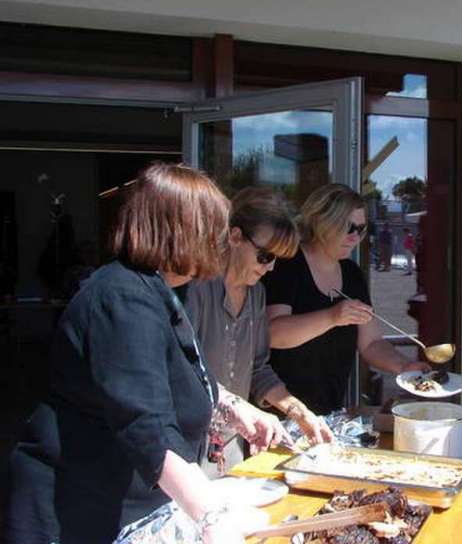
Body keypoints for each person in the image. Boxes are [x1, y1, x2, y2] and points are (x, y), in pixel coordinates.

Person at [5, 163, 290, 544]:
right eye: (213, 232)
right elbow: (145, 424)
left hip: (117, 505)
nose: (221, 244)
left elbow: (180, 376)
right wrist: (213, 516)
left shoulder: (163, 291)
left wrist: (235, 409)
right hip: (70, 512)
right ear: (182, 232)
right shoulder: (121, 298)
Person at [184, 187, 334, 476]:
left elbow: (257, 369)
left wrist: (299, 412)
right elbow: (188, 372)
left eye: (278, 259)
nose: (270, 267)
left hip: (230, 446)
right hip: (188, 448)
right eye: (265, 256)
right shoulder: (197, 289)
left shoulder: (257, 296)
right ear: (235, 236)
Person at [265, 184, 430, 415]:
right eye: (348, 227)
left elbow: (371, 342)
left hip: (329, 410)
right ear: (322, 222)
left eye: (361, 229)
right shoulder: (287, 264)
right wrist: (332, 316)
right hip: (279, 410)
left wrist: (404, 366)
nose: (355, 237)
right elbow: (274, 334)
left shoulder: (351, 273)